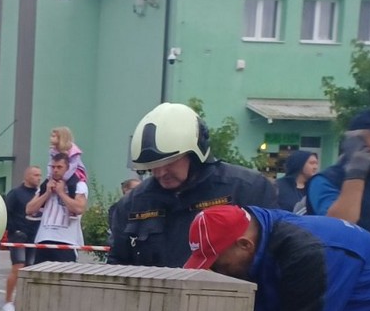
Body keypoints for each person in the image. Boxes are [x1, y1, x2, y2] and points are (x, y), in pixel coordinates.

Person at [184, 205, 370, 311]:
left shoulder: (307, 254)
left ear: (244, 245)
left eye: (219, 264)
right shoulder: (262, 231)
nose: (217, 272)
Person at [109, 102, 278, 267]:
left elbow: (272, 258)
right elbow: (117, 267)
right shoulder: (133, 204)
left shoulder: (247, 189)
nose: (160, 172)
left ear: (195, 154)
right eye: (152, 167)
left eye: (170, 162)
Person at [309, 108, 370, 251]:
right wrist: (357, 172)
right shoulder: (326, 180)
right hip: (349, 270)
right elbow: (338, 227)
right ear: (355, 141)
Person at [26, 152, 87, 264]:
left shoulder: (78, 185)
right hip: (44, 239)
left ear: (68, 168)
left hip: (66, 241)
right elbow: (29, 209)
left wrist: (61, 193)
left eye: (59, 167)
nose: (55, 170)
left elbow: (79, 208)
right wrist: (47, 194)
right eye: (53, 167)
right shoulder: (46, 186)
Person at [1, 166, 43, 311]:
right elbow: (6, 212)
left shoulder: (41, 194)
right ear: (26, 176)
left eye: (40, 175)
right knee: (17, 267)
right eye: (35, 175)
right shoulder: (16, 193)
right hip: (18, 236)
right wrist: (13, 229)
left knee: (30, 269)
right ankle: (8, 301)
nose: (38, 178)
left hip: (35, 236)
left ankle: (24, 300)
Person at [277, 150, 319, 215]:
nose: (315, 167)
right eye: (312, 163)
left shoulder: (314, 189)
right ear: (300, 164)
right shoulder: (278, 186)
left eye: (316, 163)